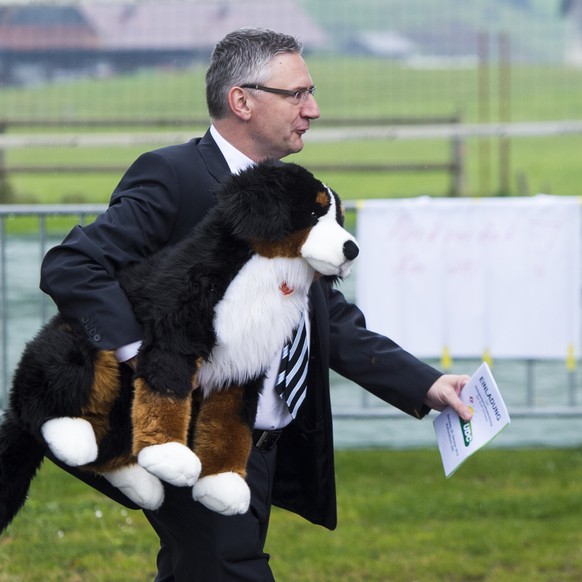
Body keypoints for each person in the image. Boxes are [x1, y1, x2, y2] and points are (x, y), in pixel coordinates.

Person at [40, 27, 472, 581]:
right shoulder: (173, 177)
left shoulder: (295, 191)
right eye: (297, 94)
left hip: (255, 444)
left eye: (311, 93)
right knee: (232, 569)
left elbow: (323, 319)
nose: (312, 109)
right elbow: (72, 265)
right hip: (184, 435)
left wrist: (424, 384)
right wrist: (147, 360)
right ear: (241, 100)